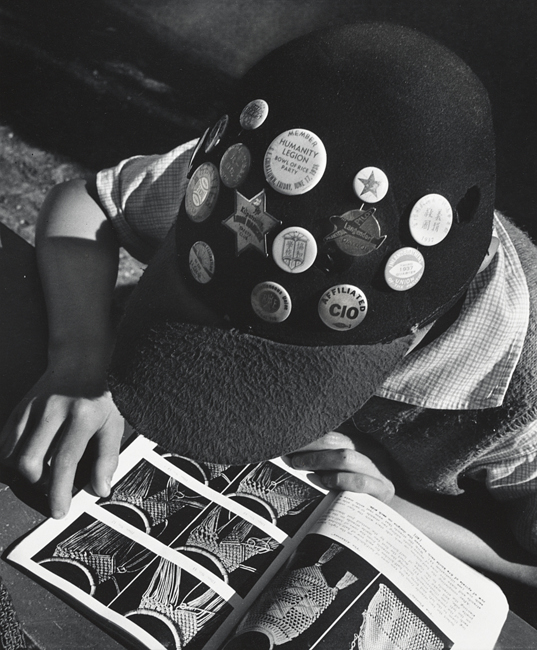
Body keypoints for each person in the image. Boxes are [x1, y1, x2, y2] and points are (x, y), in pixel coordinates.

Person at [2, 22, 537, 591]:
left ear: (420, 323)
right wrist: (82, 360)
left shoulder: (524, 389)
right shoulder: (257, 185)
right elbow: (89, 202)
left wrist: (392, 511)